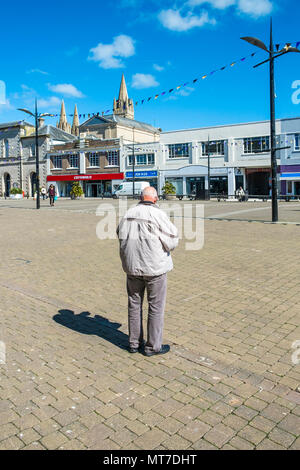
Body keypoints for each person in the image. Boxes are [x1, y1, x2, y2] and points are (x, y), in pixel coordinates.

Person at [117, 186, 179, 357]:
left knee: (134, 305)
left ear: (140, 197)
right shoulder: (158, 214)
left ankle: (134, 343)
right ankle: (152, 347)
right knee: (156, 307)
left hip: (132, 267)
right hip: (154, 268)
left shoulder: (128, 213)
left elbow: (119, 233)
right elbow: (172, 240)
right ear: (156, 199)